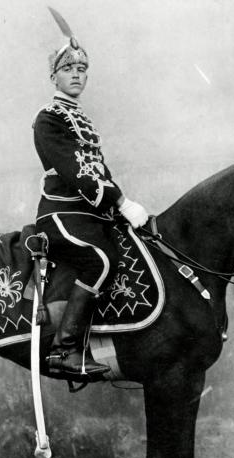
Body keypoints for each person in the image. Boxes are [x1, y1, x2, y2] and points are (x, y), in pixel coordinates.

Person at [33, 10, 148, 380]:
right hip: (61, 216)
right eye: (69, 69)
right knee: (100, 260)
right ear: (55, 75)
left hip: (87, 214)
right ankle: (64, 350)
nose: (77, 75)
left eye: (82, 70)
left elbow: (100, 168)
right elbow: (78, 172)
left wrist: (123, 206)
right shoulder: (49, 119)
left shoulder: (81, 118)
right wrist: (119, 201)